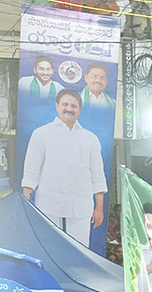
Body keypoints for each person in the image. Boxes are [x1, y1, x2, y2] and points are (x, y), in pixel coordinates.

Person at [21, 88, 107, 246]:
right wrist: (26, 203)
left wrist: (99, 208)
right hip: (49, 206)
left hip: (81, 207)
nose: (69, 108)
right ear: (57, 106)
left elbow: (97, 175)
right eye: (65, 104)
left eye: (74, 106)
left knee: (80, 252)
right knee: (50, 250)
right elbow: (31, 170)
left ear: (79, 109)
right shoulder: (41, 134)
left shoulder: (90, 138)